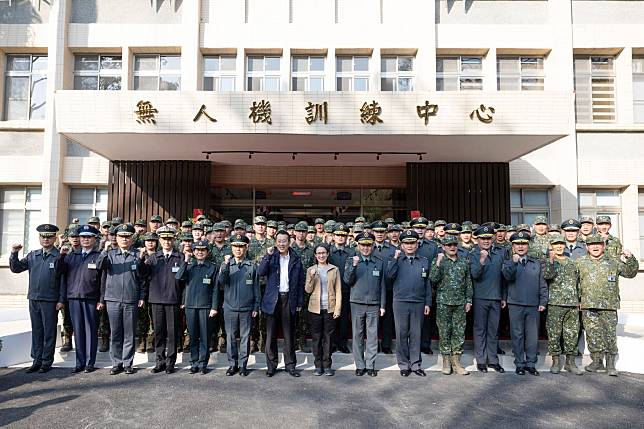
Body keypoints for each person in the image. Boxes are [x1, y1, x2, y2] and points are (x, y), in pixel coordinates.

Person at [575, 233, 638, 376]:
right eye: (591, 244)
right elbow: (575, 282)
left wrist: (630, 258)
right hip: (588, 305)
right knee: (592, 335)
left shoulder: (613, 262)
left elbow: (630, 272)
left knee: (609, 335)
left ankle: (610, 364)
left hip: (608, 305)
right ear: (587, 247)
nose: (595, 247)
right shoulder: (580, 262)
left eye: (598, 244)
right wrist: (578, 300)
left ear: (603, 246)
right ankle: (597, 361)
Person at [10, 224, 65, 373]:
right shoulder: (33, 255)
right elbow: (16, 268)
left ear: (54, 238)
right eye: (42, 236)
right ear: (39, 237)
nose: (45, 239)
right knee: (37, 330)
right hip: (34, 298)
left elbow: (63, 279)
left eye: (49, 236)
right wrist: (14, 253)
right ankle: (36, 360)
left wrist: (61, 299)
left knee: (49, 331)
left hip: (50, 299)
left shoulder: (59, 256)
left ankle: (47, 361)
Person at [258, 230, 305, 377]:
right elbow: (260, 272)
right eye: (279, 241)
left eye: (284, 241)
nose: (281, 244)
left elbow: (300, 281)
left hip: (289, 299)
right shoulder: (271, 256)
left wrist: (299, 301)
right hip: (273, 299)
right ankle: (271, 366)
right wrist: (268, 256)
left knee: (289, 334)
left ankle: (290, 366)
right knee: (270, 335)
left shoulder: (296, 258)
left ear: (289, 242)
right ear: (275, 242)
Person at [386, 230, 432, 377]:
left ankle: (416, 364)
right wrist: (395, 258)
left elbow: (427, 284)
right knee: (401, 334)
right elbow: (389, 276)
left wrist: (428, 303)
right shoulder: (396, 259)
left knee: (416, 334)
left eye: (412, 242)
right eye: (406, 243)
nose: (410, 246)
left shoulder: (424, 260)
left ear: (417, 244)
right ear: (401, 245)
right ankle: (404, 364)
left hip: (418, 302)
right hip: (400, 302)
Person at [57, 225, 102, 373]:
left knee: (90, 331)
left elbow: (104, 280)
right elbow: (59, 272)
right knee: (78, 331)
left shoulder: (99, 256)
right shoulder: (71, 256)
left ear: (94, 239)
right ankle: (80, 361)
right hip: (74, 298)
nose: (85, 240)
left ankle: (90, 362)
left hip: (91, 299)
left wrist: (101, 300)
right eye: (83, 237)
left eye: (89, 237)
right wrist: (61, 256)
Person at [502, 231, 548, 376]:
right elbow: (507, 277)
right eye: (517, 244)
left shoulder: (536, 263)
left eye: (523, 244)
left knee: (533, 336)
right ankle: (520, 363)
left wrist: (543, 301)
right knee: (517, 335)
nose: (520, 247)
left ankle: (531, 363)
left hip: (533, 304)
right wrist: (514, 263)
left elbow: (542, 283)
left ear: (528, 245)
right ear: (513, 246)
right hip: (515, 304)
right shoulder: (508, 262)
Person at [142, 226, 183, 374]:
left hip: (173, 299)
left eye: (169, 239)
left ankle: (171, 362)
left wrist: (182, 299)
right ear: (160, 240)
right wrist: (141, 259)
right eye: (164, 239)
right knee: (158, 332)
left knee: (172, 333)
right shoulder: (153, 258)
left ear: (173, 240)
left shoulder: (180, 257)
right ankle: (159, 361)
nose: (167, 241)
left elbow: (184, 282)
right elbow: (143, 275)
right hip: (156, 300)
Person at [344, 232, 386, 377]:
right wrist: (353, 266)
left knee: (373, 336)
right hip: (357, 302)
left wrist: (382, 305)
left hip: (374, 304)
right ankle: (360, 365)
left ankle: (370, 365)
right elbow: (347, 281)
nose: (366, 248)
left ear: (373, 245)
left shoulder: (379, 261)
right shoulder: (352, 260)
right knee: (358, 335)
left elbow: (382, 285)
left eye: (368, 245)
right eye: (363, 245)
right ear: (358, 246)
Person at [218, 234, 260, 377]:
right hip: (229, 308)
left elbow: (256, 288)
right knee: (230, 337)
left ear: (246, 248)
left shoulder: (251, 266)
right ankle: (232, 364)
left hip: (246, 308)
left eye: (241, 246)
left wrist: (256, 306)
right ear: (231, 248)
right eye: (235, 246)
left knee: (245, 337)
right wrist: (226, 265)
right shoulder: (226, 265)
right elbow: (221, 282)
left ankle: (243, 365)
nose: (238, 249)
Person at [430, 235, 473, 376]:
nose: (452, 247)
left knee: (459, 332)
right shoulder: (439, 261)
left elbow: (468, 283)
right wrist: (438, 263)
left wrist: (469, 300)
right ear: (443, 247)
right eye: (449, 245)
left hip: (460, 303)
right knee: (444, 332)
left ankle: (457, 362)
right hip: (443, 302)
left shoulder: (463, 262)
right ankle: (446, 361)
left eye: (454, 244)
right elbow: (433, 279)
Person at [176, 240, 218, 374]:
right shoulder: (189, 266)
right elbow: (179, 277)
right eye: (197, 250)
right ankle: (194, 362)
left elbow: (215, 289)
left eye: (203, 250)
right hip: (190, 306)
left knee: (205, 336)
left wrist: (214, 307)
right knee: (193, 336)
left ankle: (203, 363)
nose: (200, 252)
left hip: (206, 306)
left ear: (207, 252)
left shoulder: (212, 267)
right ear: (193, 252)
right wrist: (185, 260)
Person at [469, 225, 506, 373]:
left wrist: (503, 296)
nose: (486, 241)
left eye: (488, 238)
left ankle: (493, 360)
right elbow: (475, 275)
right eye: (483, 238)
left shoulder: (500, 252)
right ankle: (481, 360)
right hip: (480, 297)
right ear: (477, 239)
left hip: (496, 296)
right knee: (480, 330)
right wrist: (482, 260)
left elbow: (503, 277)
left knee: (493, 330)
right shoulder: (473, 254)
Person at [544, 234, 583, 375]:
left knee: (571, 334)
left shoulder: (572, 262)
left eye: (561, 244)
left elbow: (578, 282)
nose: (559, 246)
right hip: (555, 303)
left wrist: (579, 299)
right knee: (554, 333)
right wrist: (551, 260)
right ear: (551, 247)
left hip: (572, 304)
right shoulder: (549, 261)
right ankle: (555, 362)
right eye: (556, 244)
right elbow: (547, 276)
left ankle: (570, 363)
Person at [305, 243, 342, 376]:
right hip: (315, 309)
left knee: (328, 338)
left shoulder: (334, 269)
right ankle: (318, 365)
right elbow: (307, 290)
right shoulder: (311, 270)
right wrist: (312, 277)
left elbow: (338, 290)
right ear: (315, 255)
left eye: (323, 253)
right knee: (316, 338)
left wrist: (337, 309)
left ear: (327, 254)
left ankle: (327, 365)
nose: (321, 255)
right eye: (318, 253)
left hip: (330, 308)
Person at [328, 223, 355, 354]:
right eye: (338, 235)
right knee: (332, 319)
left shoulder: (352, 252)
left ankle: (342, 343)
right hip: (331, 291)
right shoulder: (328, 251)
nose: (340, 237)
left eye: (343, 235)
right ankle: (332, 343)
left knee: (344, 318)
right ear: (333, 236)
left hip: (346, 290)